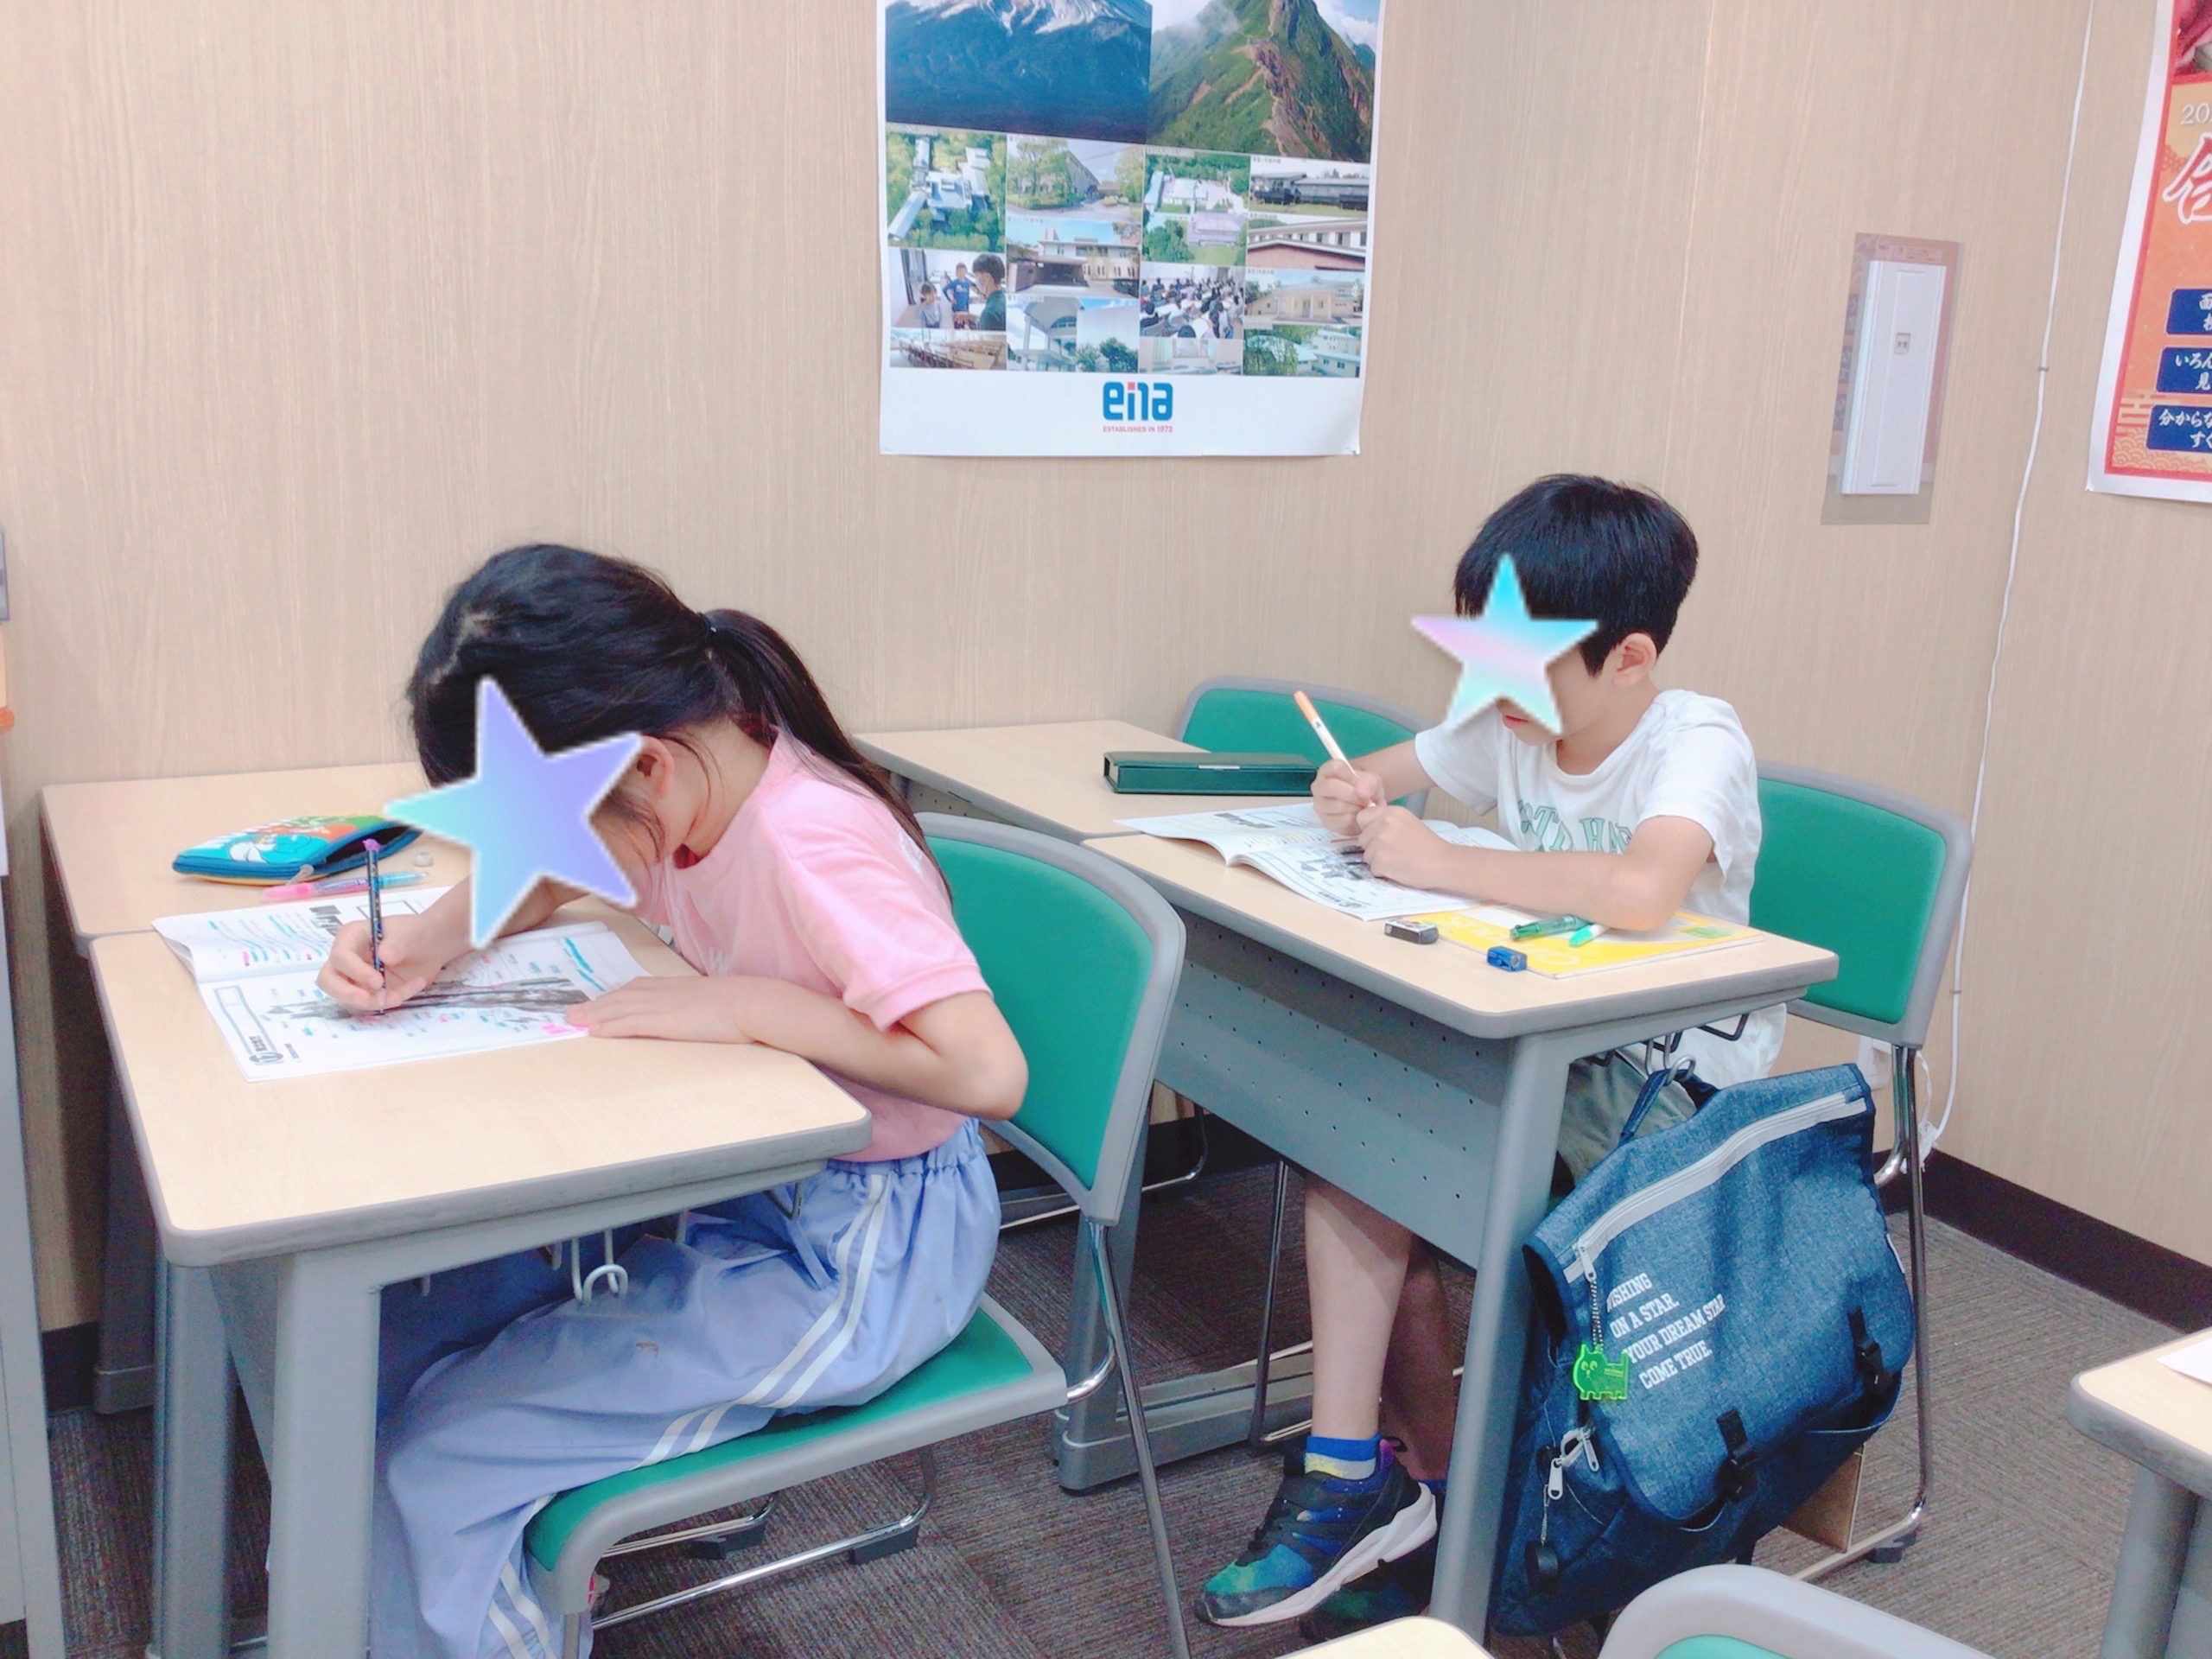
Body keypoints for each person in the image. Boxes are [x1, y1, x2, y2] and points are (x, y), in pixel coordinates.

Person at [324, 545, 1027, 1659]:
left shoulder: (813, 843)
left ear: (644, 766)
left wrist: (753, 1007)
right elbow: (556, 866)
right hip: (748, 1186)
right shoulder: (693, 782)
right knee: (395, 1340)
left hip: (861, 1256)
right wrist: (425, 940)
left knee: (441, 1459)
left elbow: (988, 1074)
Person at [1196, 475, 1777, 1637]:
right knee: (1369, 1152)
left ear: (1629, 659)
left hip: (1667, 1095)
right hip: (1538, 1046)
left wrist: (1443, 862)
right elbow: (1381, 774)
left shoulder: (1693, 739)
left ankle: (1435, 1498)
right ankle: (1411, 1490)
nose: (1493, 688)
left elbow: (1643, 889)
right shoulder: (1510, 720)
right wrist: (1349, 793)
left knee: (1396, 1162)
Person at [972, 252, 1007, 332]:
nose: (976, 280)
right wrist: (969, 316)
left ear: (987, 277)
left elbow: (985, 340)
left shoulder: (989, 312)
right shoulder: (1003, 301)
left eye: (976, 275)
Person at [945, 262, 975, 327]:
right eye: (959, 271)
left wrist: (968, 309)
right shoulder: (954, 283)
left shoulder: (967, 284)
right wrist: (950, 299)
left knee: (964, 326)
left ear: (966, 272)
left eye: (963, 271)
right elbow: (944, 290)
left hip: (964, 309)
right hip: (956, 309)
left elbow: (967, 297)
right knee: (957, 326)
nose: (961, 273)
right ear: (956, 273)